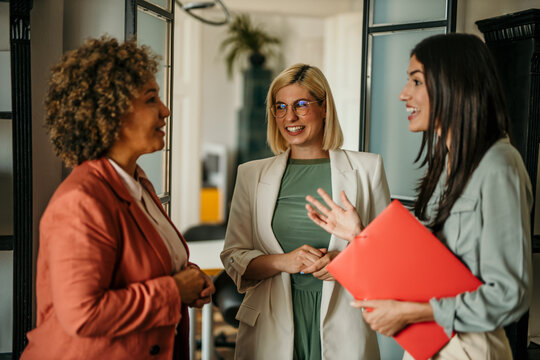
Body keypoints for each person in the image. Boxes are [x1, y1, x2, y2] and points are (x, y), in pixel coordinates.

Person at [306, 33, 533, 359]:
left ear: (453, 84)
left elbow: (509, 295)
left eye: (416, 81)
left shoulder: (499, 165)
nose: (403, 94)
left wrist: (411, 313)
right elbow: (428, 270)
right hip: (428, 346)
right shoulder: (446, 166)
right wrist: (359, 235)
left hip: (467, 348)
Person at [21, 37, 214, 360]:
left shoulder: (136, 182)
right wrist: (175, 290)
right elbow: (83, 313)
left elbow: (139, 266)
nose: (165, 111)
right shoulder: (81, 201)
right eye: (151, 99)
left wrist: (188, 276)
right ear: (111, 112)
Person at [221, 63, 390, 359]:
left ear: (324, 108)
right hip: (270, 323)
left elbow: (387, 255)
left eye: (301, 105)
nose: (290, 117)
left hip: (344, 321)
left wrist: (344, 260)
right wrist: (284, 262)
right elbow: (234, 256)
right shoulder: (251, 175)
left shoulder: (367, 169)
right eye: (280, 107)